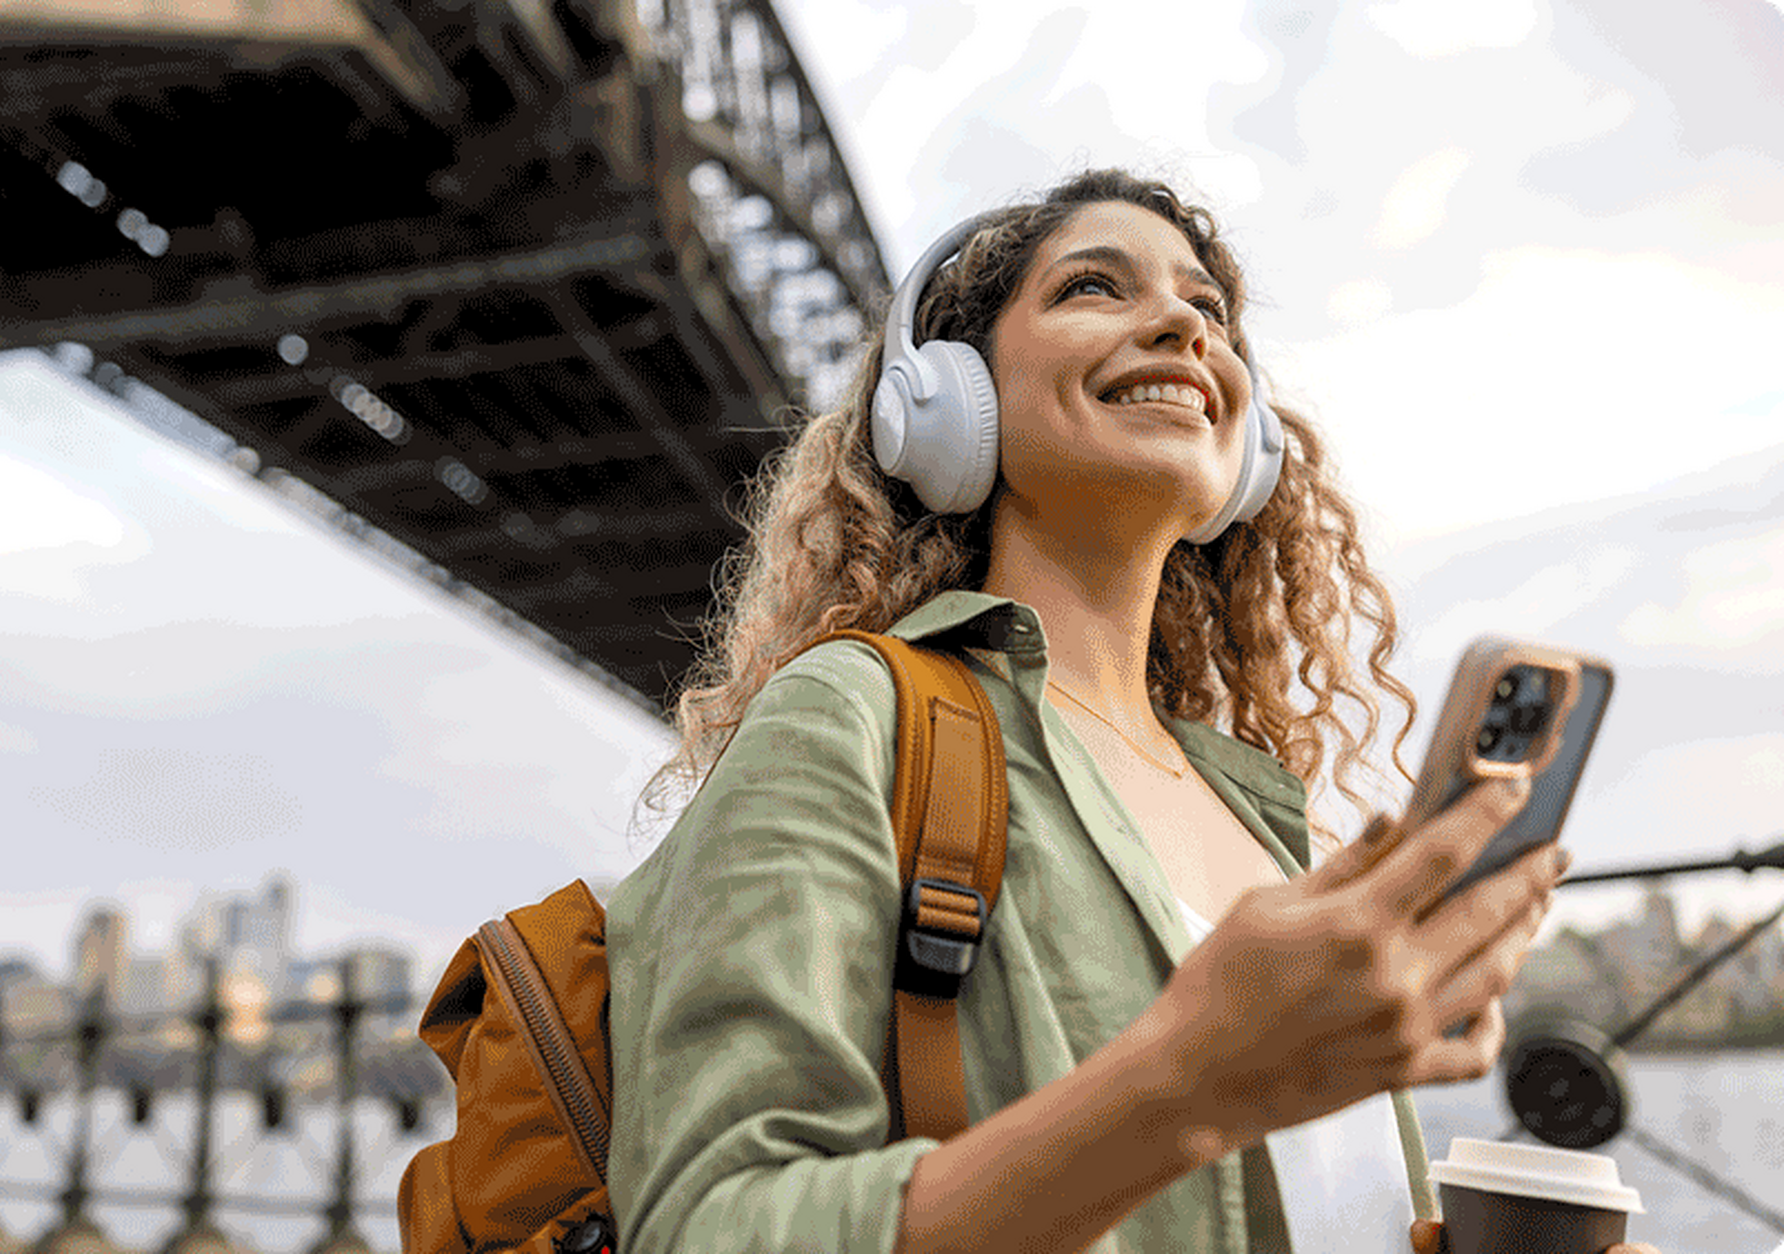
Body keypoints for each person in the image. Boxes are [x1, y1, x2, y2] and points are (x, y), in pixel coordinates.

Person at [605, 168, 1656, 1254]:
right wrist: (1186, 1082)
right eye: (1092, 289)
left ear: (1247, 454)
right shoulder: (851, 715)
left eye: (1206, 309)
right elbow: (704, 1229)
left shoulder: (1260, 818)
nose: (1177, 326)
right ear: (951, 401)